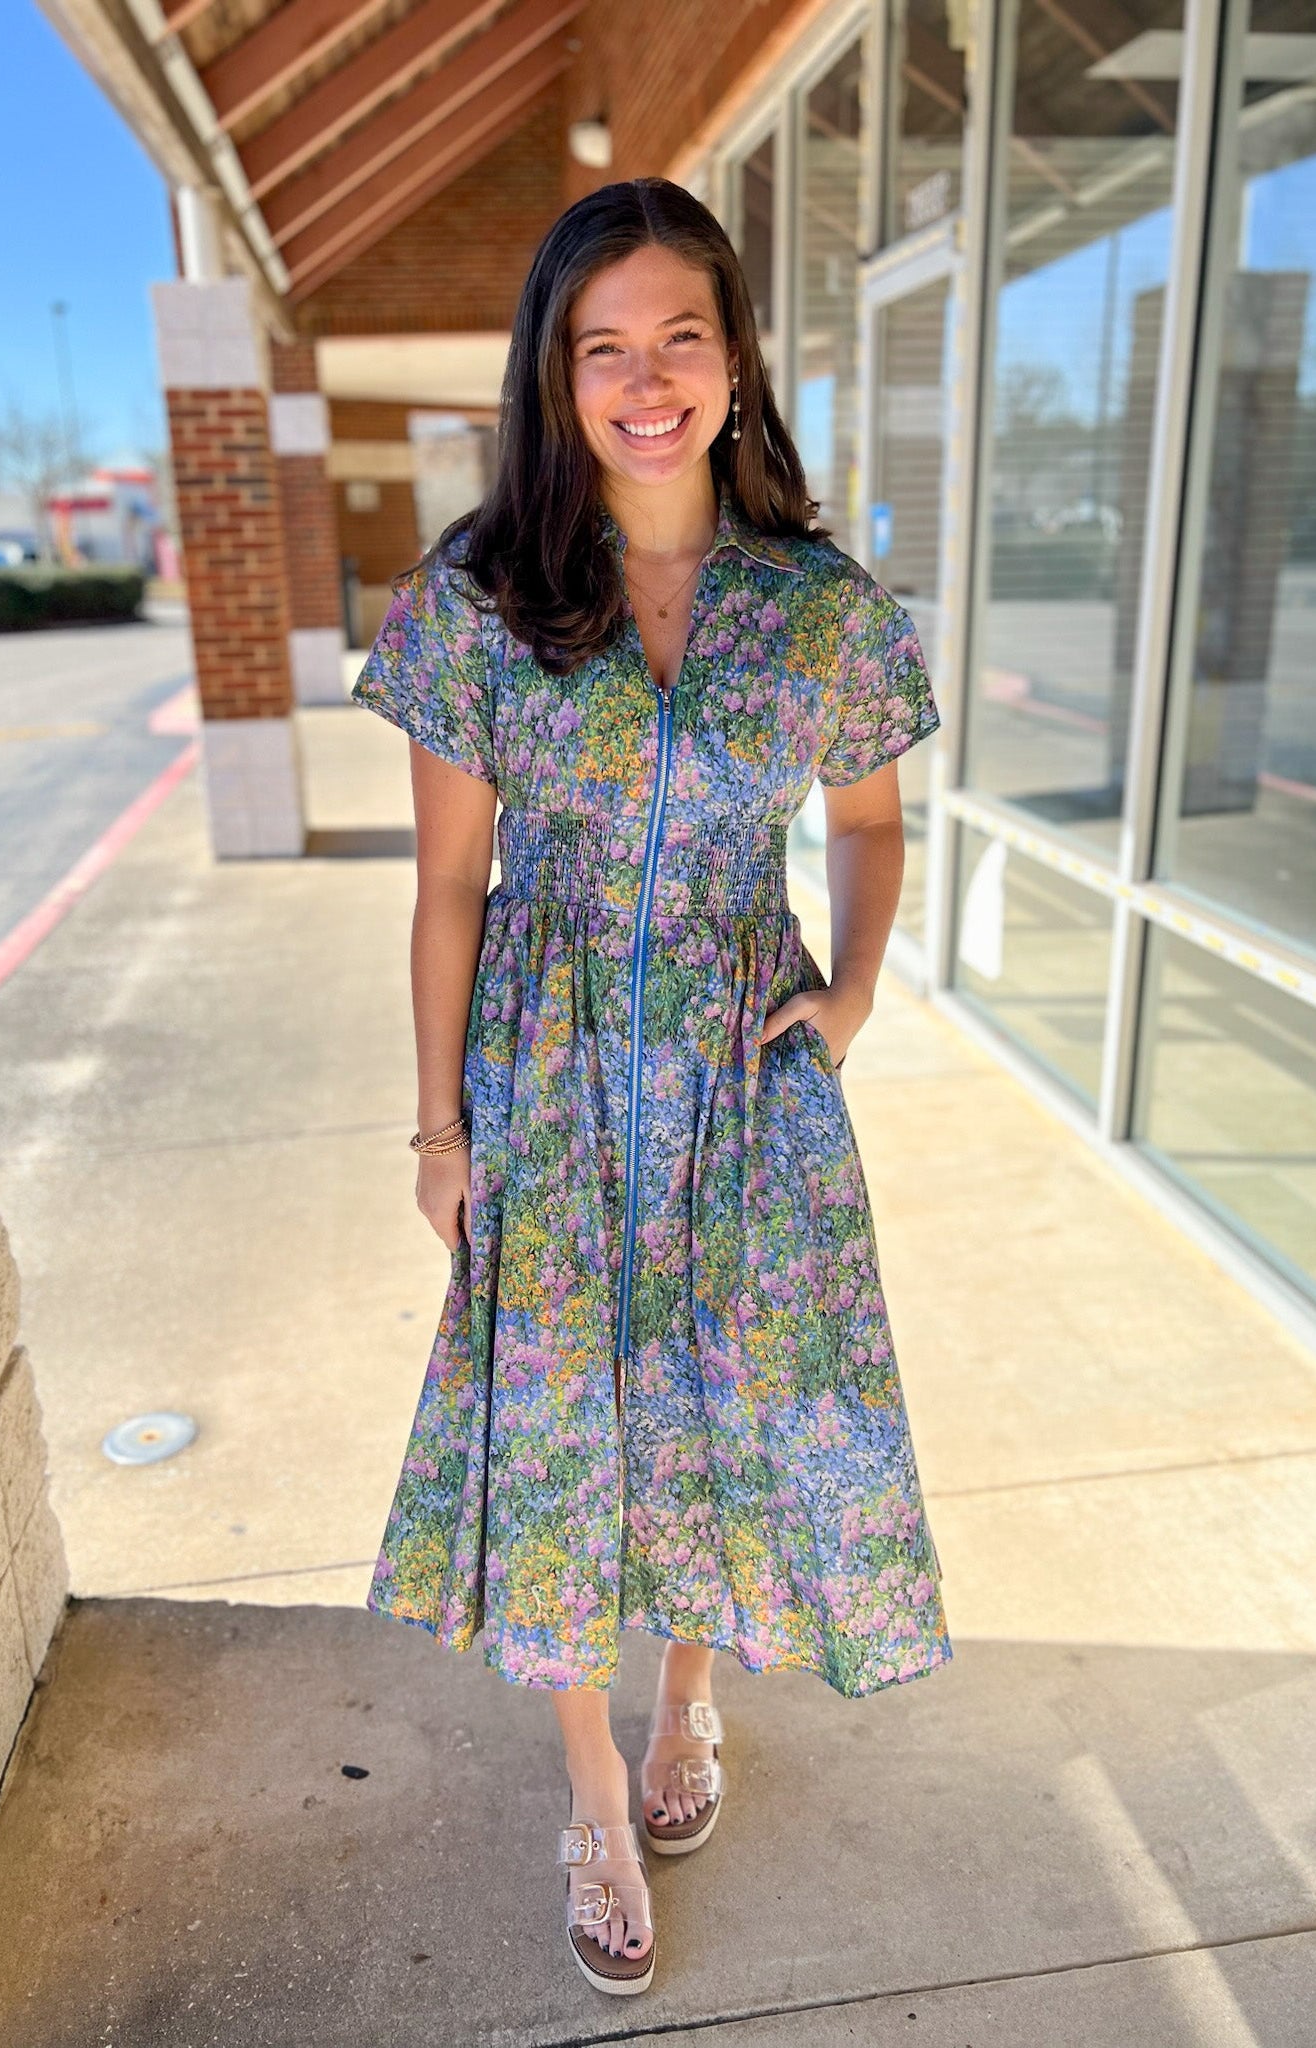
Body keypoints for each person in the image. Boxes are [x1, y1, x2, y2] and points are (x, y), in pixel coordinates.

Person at [351, 177, 953, 1997]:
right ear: (556, 375)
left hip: (743, 1075)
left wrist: (847, 996)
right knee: (555, 1437)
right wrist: (443, 1132)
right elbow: (450, 887)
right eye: (600, 345)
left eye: (679, 335)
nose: (644, 378)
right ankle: (596, 1790)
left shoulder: (817, 606)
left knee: (720, 1407)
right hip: (545, 1071)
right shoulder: (481, 601)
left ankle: (691, 1700)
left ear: (734, 358)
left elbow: (868, 818)